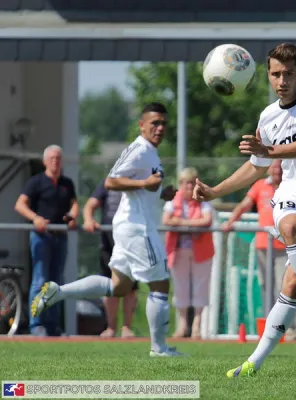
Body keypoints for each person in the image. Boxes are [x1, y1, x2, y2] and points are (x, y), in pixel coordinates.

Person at [193, 42, 296, 378]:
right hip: (291, 194)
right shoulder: (268, 116)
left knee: (292, 285)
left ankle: (254, 362)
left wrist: (271, 149)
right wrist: (216, 190)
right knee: (291, 226)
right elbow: (256, 168)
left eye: (289, 74)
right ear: (267, 76)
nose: (282, 81)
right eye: (275, 74)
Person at [30, 102, 184, 357]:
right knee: (160, 284)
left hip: (131, 225)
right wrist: (145, 182)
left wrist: (161, 193)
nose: (160, 128)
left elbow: (141, 190)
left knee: (118, 287)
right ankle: (159, 349)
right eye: (154, 123)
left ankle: (58, 291)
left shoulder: (151, 153)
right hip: (137, 227)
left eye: (163, 123)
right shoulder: (139, 149)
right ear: (142, 125)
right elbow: (111, 181)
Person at [14, 144, 79, 337]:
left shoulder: (67, 183)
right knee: (40, 280)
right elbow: (20, 204)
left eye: (58, 158)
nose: (55, 162)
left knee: (56, 282)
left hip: (60, 237)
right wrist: (35, 218)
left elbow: (74, 205)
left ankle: (53, 325)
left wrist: (72, 216)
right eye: (52, 158)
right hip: (41, 237)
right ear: (45, 161)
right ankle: (37, 324)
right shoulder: (36, 182)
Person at [222, 160, 288, 306]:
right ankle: (268, 320)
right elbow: (244, 205)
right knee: (266, 284)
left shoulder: (291, 186)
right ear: (269, 169)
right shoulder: (260, 185)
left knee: (284, 286)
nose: (277, 170)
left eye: (280, 167)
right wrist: (230, 221)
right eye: (274, 167)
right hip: (263, 244)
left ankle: (285, 324)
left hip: (285, 246)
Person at [162, 167, 215, 339]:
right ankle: (182, 325)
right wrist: (193, 223)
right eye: (186, 183)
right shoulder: (171, 201)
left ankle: (197, 326)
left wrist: (181, 222)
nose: (189, 186)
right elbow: (166, 220)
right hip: (178, 251)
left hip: (202, 250)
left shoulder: (204, 201)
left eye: (192, 183)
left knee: (201, 287)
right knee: (180, 288)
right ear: (180, 185)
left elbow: (207, 220)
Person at [83, 179, 137, 338]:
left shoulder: (137, 183)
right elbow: (89, 205)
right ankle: (111, 327)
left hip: (131, 243)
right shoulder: (106, 184)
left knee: (131, 287)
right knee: (109, 286)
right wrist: (88, 219)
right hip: (109, 243)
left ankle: (126, 327)